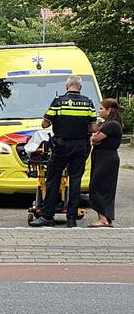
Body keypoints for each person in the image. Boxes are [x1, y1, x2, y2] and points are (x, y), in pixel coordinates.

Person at [30, 75, 98, 227]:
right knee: (75, 181)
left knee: (53, 180)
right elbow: (93, 128)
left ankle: (47, 216)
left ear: (67, 87)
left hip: (61, 146)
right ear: (80, 87)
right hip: (80, 146)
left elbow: (44, 124)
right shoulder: (88, 103)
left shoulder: (58, 102)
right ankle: (71, 219)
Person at [88, 98, 123, 227]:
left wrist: (95, 137)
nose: (99, 111)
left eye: (101, 108)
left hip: (106, 158)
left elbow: (95, 138)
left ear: (109, 110)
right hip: (101, 156)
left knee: (99, 187)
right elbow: (96, 138)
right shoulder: (107, 124)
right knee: (101, 186)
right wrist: (95, 137)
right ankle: (104, 217)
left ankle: (103, 218)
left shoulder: (112, 124)